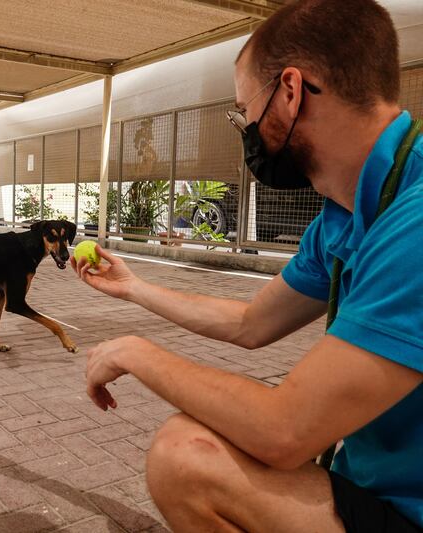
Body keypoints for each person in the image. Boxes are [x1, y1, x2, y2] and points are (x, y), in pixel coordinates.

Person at [72, 1, 423, 531]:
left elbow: (285, 431)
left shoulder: (414, 220)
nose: (246, 130)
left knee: (183, 458)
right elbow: (251, 322)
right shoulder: (344, 213)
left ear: (290, 90)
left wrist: (134, 352)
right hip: (378, 486)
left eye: (243, 111)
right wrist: (134, 289)